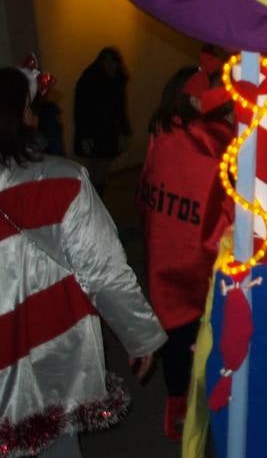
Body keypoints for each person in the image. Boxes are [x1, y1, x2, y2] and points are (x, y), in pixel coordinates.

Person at [1, 66, 166, 457]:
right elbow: (103, 269)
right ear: (21, 116)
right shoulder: (63, 182)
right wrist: (140, 335)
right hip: (50, 362)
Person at [137, 63, 233, 440]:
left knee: (175, 335)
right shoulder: (207, 137)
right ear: (195, 97)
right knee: (207, 334)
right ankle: (209, 407)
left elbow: (146, 195)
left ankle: (177, 409)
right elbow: (228, 199)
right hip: (199, 259)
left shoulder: (161, 132)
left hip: (164, 254)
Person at [72, 47, 131, 196]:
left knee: (101, 171)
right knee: (96, 170)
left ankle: (97, 199)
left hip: (107, 132)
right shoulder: (90, 80)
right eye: (108, 62)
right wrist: (86, 136)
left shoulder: (116, 80)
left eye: (114, 62)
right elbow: (81, 109)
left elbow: (120, 109)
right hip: (94, 133)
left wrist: (124, 131)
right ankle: (95, 200)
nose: (111, 65)